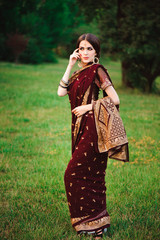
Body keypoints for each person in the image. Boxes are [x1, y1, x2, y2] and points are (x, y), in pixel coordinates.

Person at [57, 33, 129, 239]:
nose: (85, 52)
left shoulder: (97, 71)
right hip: (79, 127)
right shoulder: (79, 72)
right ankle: (96, 223)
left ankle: (93, 223)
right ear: (77, 51)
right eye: (81, 48)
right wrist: (70, 65)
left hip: (93, 127)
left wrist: (87, 106)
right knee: (89, 174)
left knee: (74, 173)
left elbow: (114, 99)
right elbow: (61, 93)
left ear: (96, 51)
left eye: (89, 48)